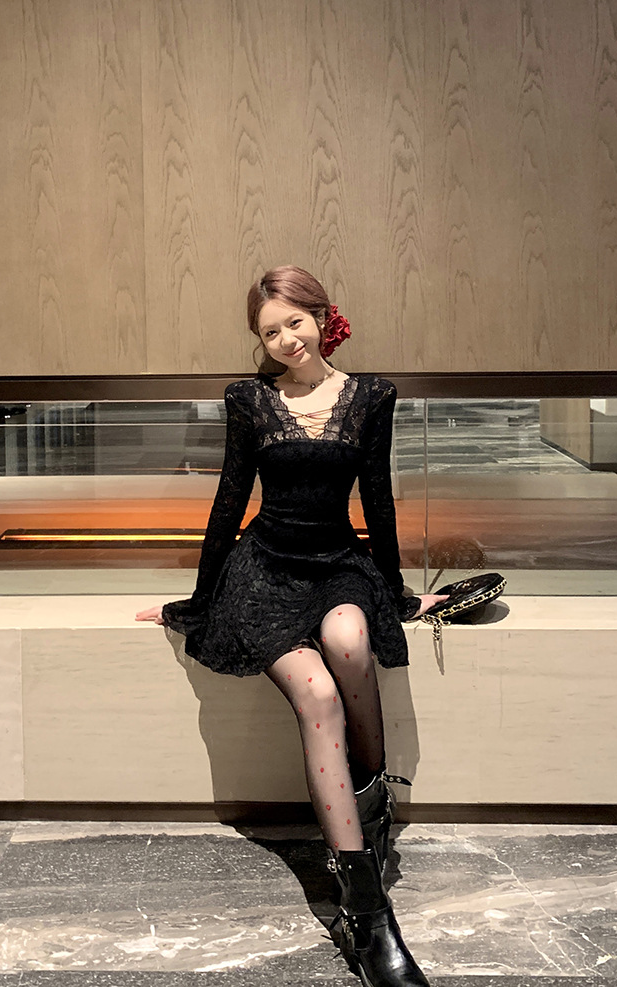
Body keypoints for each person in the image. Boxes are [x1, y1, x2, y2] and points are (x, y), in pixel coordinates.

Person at [136, 266, 447, 986]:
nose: (284, 340)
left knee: (349, 641)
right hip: (265, 570)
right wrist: (198, 598)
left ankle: (370, 799)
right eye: (269, 331)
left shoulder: (372, 395)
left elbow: (379, 500)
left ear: (322, 317)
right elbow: (228, 500)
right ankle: (366, 910)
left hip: (338, 561)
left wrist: (397, 592)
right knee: (318, 693)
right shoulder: (249, 400)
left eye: (293, 323)